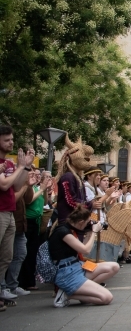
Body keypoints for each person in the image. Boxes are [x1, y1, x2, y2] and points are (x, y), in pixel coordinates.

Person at [48, 204, 119, 307]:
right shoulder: (63, 232)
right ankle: (67, 295)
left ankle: (81, 291)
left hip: (78, 266)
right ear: (81, 222)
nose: (87, 225)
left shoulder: (71, 229)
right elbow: (86, 250)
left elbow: (82, 248)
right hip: (67, 273)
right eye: (87, 223)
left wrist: (90, 232)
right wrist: (94, 232)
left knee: (114, 267)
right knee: (106, 298)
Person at [0, 125, 34, 308]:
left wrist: (26, 168)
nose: (11, 142)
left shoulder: (11, 164)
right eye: (6, 140)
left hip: (9, 212)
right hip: (1, 212)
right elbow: (4, 186)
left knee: (7, 256)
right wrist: (20, 167)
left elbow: (17, 186)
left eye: (12, 139)